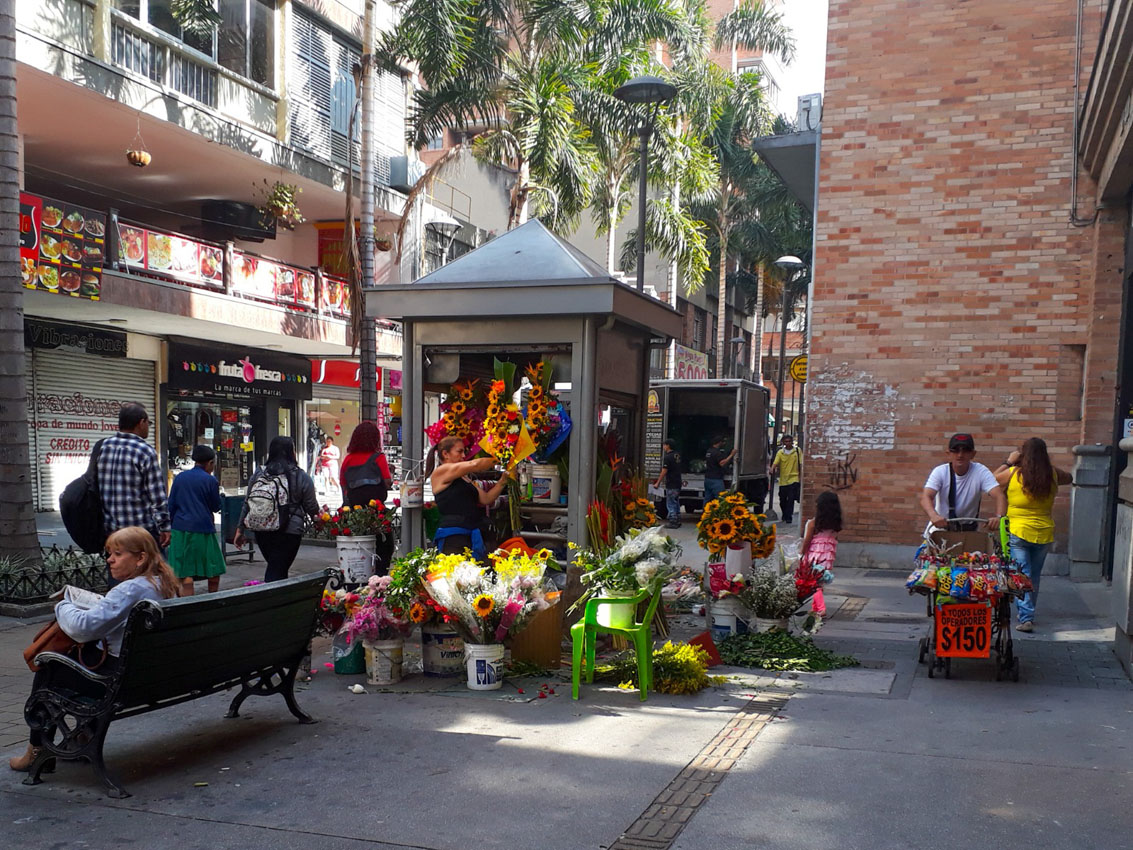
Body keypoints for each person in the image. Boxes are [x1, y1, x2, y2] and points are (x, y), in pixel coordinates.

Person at [9, 527, 180, 772]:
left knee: (48, 668)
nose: (109, 559)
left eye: (118, 554)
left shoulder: (131, 589)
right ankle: (83, 736)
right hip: (150, 675)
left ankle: (38, 750)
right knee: (74, 659)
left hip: (117, 681)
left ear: (140, 558)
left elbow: (83, 628)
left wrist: (65, 605)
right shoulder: (164, 583)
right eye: (109, 553)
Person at [994, 438, 1072, 632]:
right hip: (1044, 532)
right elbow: (1069, 477)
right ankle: (1027, 613)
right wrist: (1044, 466)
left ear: (1023, 455)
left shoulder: (1012, 474)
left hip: (1018, 531)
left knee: (1023, 574)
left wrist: (1009, 461)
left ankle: (1026, 617)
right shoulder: (1052, 475)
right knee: (1033, 576)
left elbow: (990, 480)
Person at [235, 436, 319, 582]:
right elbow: (311, 505)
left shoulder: (259, 473)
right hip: (289, 530)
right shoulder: (300, 475)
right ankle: (271, 600)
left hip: (262, 529)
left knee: (277, 568)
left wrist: (240, 529)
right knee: (277, 570)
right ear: (291, 452)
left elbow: (247, 502)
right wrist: (318, 520)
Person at [97, 402, 170, 553]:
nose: (148, 426)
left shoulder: (103, 447)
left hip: (112, 532)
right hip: (140, 533)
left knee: (118, 571)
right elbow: (157, 497)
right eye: (148, 422)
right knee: (151, 573)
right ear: (141, 422)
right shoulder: (144, 451)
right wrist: (165, 527)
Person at [428, 435, 512, 560]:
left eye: (464, 452)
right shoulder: (441, 471)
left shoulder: (464, 477)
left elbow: (486, 499)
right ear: (445, 454)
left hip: (471, 533)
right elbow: (475, 464)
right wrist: (503, 458)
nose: (463, 456)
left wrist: (503, 481)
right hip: (453, 536)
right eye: (459, 451)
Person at [167, 445, 226, 596]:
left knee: (183, 570)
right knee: (213, 566)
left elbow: (171, 505)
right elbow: (215, 506)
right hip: (203, 528)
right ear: (210, 463)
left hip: (180, 528)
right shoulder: (210, 480)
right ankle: (212, 597)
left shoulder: (179, 478)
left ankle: (187, 604)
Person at [919, 433, 1005, 534]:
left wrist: (999, 517)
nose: (960, 455)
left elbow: (999, 496)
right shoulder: (940, 472)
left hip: (969, 532)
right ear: (948, 453)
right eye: (955, 450)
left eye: (966, 450)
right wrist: (933, 515)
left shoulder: (981, 471)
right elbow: (926, 497)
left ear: (973, 454)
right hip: (940, 530)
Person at [340, 421, 395, 574]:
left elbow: (344, 485)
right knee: (385, 547)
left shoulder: (348, 460)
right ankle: (379, 579)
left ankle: (359, 579)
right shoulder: (378, 458)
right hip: (376, 512)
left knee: (358, 550)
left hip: (355, 513)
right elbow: (387, 482)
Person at [796, 491, 843, 626]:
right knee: (818, 582)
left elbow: (807, 541)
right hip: (827, 556)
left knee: (814, 584)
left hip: (814, 556)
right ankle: (815, 607)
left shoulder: (813, 523)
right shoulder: (836, 524)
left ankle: (820, 609)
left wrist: (801, 554)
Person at [771, 434, 801, 525]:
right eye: (786, 441)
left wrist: (801, 476)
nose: (787, 443)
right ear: (783, 442)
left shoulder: (797, 451)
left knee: (791, 499)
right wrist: (772, 468)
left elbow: (801, 464)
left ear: (792, 442)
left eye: (789, 441)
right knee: (782, 499)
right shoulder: (781, 452)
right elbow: (776, 462)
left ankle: (789, 517)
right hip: (783, 480)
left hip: (794, 478)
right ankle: (785, 514)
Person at [653, 438, 683, 529]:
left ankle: (673, 520)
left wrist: (658, 482)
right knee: (676, 501)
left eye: (664, 445)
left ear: (668, 446)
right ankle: (677, 519)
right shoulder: (677, 455)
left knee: (670, 502)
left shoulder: (668, 457)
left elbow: (664, 471)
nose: (663, 447)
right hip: (678, 481)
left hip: (671, 482)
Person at [703, 434, 737, 504]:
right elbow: (722, 463)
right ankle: (720, 514)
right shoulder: (717, 453)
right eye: (723, 442)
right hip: (716, 479)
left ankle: (706, 513)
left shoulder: (709, 451)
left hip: (708, 478)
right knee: (721, 498)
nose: (724, 444)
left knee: (708, 499)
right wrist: (731, 455)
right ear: (719, 442)